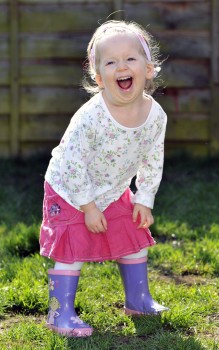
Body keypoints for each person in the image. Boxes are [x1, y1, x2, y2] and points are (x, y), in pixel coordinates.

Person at [39, 19, 168, 338]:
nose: (121, 66)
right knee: (71, 250)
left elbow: (153, 158)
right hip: (70, 189)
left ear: (148, 69)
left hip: (113, 189)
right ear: (99, 78)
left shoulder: (156, 116)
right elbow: (72, 163)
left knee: (134, 234)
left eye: (130, 59)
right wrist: (88, 206)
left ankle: (138, 299)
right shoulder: (90, 118)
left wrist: (144, 198)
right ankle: (60, 314)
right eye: (111, 62)